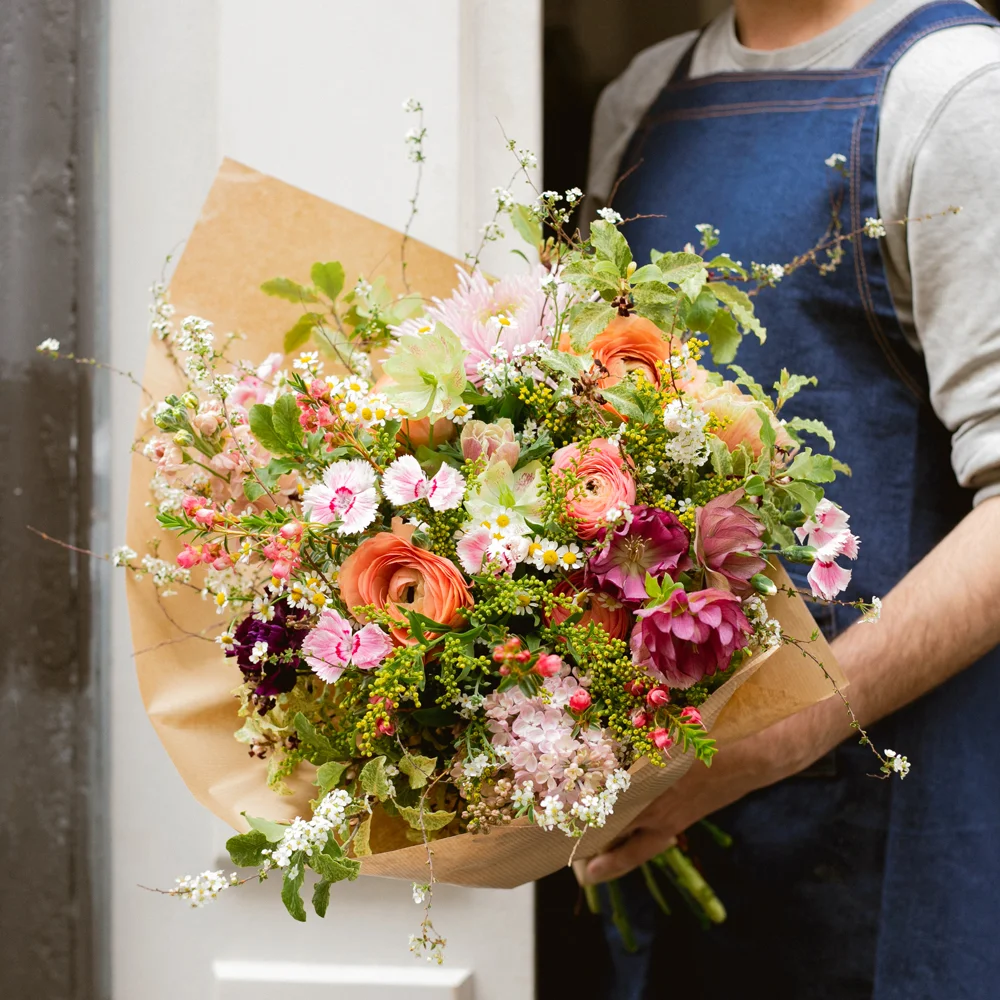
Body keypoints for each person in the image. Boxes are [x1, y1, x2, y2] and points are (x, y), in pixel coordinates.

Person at [581, 1, 1000, 997]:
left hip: (888, 825)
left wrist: (786, 730)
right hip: (673, 825)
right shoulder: (643, 99)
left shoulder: (954, 93)